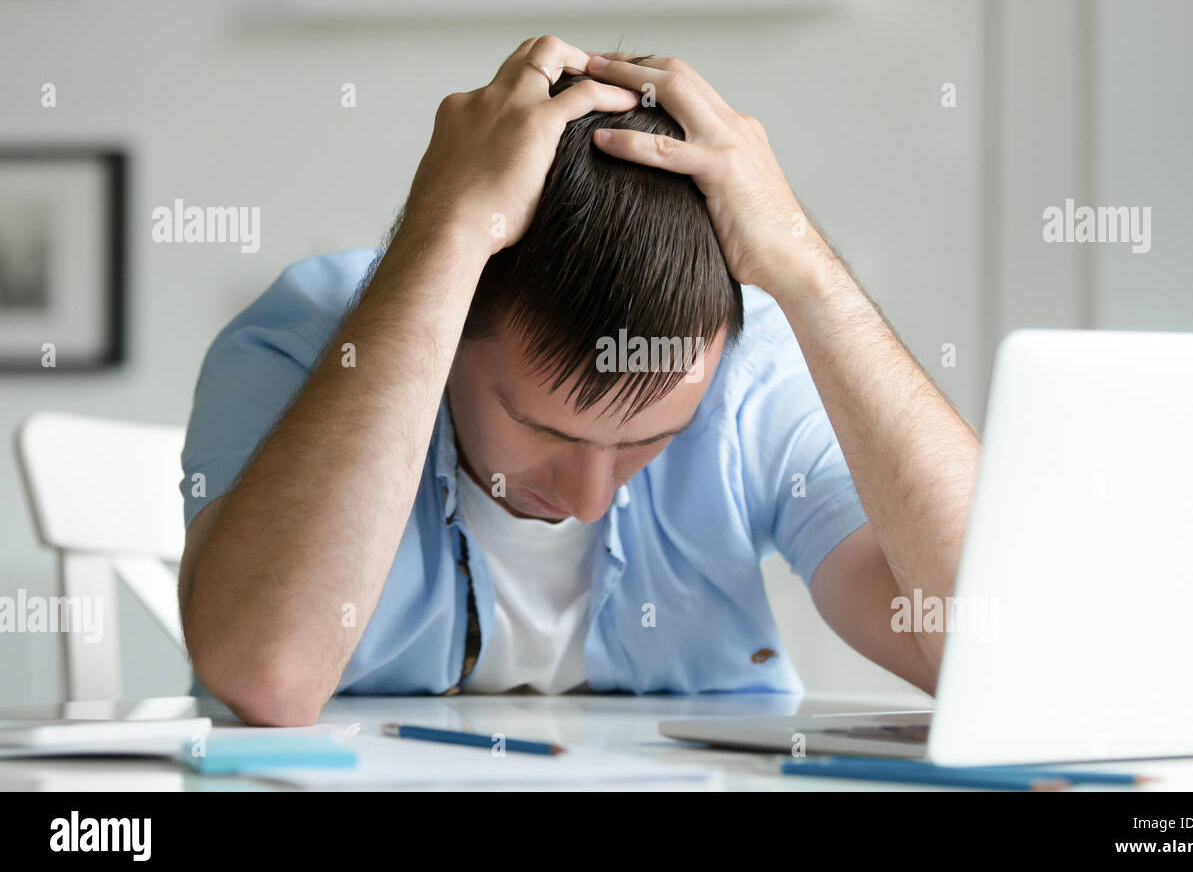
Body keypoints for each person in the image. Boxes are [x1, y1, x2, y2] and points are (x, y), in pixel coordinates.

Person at [177, 36, 979, 726]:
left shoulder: (752, 366)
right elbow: (268, 677)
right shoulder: (308, 339)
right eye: (546, 431)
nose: (590, 499)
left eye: (651, 439)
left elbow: (992, 649)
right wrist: (445, 235)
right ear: (455, 333)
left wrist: (807, 271)